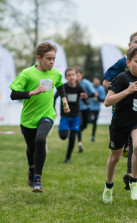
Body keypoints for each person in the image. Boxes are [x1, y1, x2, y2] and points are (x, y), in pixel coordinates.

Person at [9, 42, 70, 192]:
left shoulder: (55, 73)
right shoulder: (27, 74)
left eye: (53, 59)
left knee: (41, 140)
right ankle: (31, 168)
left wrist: (64, 101)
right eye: (48, 59)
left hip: (47, 114)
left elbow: (60, 86)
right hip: (28, 119)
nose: (51, 62)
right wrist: (32, 92)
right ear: (39, 58)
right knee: (31, 149)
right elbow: (13, 94)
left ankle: (37, 179)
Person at [102, 46, 137, 204]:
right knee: (115, 157)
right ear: (128, 62)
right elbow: (107, 101)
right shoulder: (121, 78)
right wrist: (127, 91)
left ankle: (134, 181)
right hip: (120, 122)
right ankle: (109, 186)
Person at [54, 68, 88, 163]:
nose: (71, 77)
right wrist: (53, 109)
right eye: (69, 75)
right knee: (63, 136)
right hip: (65, 115)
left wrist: (85, 99)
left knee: (72, 137)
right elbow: (54, 98)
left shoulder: (80, 87)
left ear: (76, 76)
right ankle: (64, 130)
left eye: (73, 75)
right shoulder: (63, 87)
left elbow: (87, 102)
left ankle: (67, 158)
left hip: (76, 116)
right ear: (66, 77)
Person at [75, 67, 98, 153]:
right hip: (76, 109)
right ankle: (79, 144)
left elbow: (94, 94)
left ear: (81, 75)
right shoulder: (73, 84)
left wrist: (86, 96)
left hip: (86, 108)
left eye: (78, 75)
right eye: (75, 75)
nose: (76, 77)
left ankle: (80, 131)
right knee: (79, 125)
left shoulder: (86, 83)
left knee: (84, 125)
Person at [89, 75, 106, 142]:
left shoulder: (101, 88)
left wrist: (97, 96)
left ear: (99, 81)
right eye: (94, 79)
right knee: (88, 120)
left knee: (94, 122)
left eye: (97, 80)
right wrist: (92, 95)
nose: (96, 81)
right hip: (89, 107)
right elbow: (87, 95)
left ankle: (92, 136)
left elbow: (103, 100)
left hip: (96, 108)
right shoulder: (90, 86)